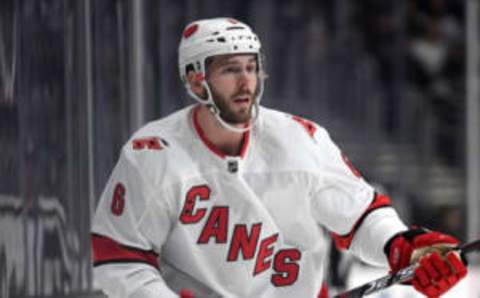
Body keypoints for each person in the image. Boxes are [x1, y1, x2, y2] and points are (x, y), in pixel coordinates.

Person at [91, 17, 467, 298]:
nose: (246, 83)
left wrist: (402, 246)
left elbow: (361, 214)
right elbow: (119, 258)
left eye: (251, 68)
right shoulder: (154, 154)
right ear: (195, 80)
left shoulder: (300, 140)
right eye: (229, 70)